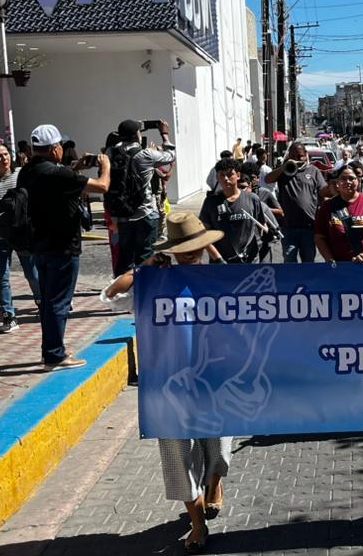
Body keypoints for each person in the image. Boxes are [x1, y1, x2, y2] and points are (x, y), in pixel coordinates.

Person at [99, 213, 231, 553]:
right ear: (171, 250)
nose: (190, 255)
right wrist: (143, 267)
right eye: (183, 249)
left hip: (214, 380)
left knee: (218, 444)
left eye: (195, 249)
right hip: (166, 383)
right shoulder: (154, 282)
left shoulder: (219, 280)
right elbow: (111, 296)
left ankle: (214, 483)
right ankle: (198, 523)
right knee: (177, 456)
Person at [19, 124, 111, 371]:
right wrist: (105, 166)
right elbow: (102, 186)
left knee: (48, 301)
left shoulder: (27, 171)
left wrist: (76, 169)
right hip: (63, 246)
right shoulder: (59, 175)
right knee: (59, 302)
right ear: (55, 148)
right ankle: (55, 355)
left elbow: (57, 181)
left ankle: (50, 349)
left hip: (39, 244)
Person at [0, 142, 39, 333]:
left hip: (22, 229)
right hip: (0, 231)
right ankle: (8, 314)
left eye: (6, 154)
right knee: (1, 275)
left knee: (31, 270)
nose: (4, 159)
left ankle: (41, 300)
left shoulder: (21, 175)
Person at [106, 118, 175, 276]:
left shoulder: (111, 152)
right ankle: (144, 291)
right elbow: (171, 155)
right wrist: (164, 133)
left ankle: (122, 294)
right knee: (145, 257)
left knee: (125, 258)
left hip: (122, 215)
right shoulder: (145, 155)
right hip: (145, 213)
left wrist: (133, 127)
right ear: (137, 134)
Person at [198, 158, 277, 263]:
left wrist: (269, 233)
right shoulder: (210, 202)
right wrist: (217, 258)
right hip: (222, 262)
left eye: (230, 174)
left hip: (250, 260)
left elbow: (262, 226)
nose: (226, 178)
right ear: (217, 177)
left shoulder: (252, 199)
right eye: (222, 175)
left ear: (238, 175)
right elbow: (204, 235)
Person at [266, 142, 327, 263]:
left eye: (300, 156)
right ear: (289, 156)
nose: (297, 159)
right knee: (289, 259)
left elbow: (323, 191)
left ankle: (307, 282)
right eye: (293, 156)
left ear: (306, 155)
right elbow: (268, 179)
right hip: (289, 227)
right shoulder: (283, 172)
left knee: (308, 260)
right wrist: (283, 167)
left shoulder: (314, 171)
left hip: (309, 226)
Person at [315, 164, 363, 264]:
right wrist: (329, 260)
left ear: (358, 181)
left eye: (352, 178)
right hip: (339, 266)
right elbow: (319, 237)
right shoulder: (327, 207)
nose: (347, 182)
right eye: (343, 179)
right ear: (337, 183)